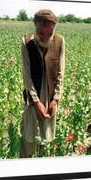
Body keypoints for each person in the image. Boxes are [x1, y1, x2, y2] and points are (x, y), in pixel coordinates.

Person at [20, 9, 65, 158]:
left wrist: (56, 99)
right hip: (33, 96)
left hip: (51, 96)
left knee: (47, 133)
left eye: (49, 33)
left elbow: (60, 73)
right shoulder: (26, 42)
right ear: (35, 26)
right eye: (41, 33)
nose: (46, 36)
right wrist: (36, 101)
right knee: (30, 134)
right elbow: (27, 76)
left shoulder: (59, 41)